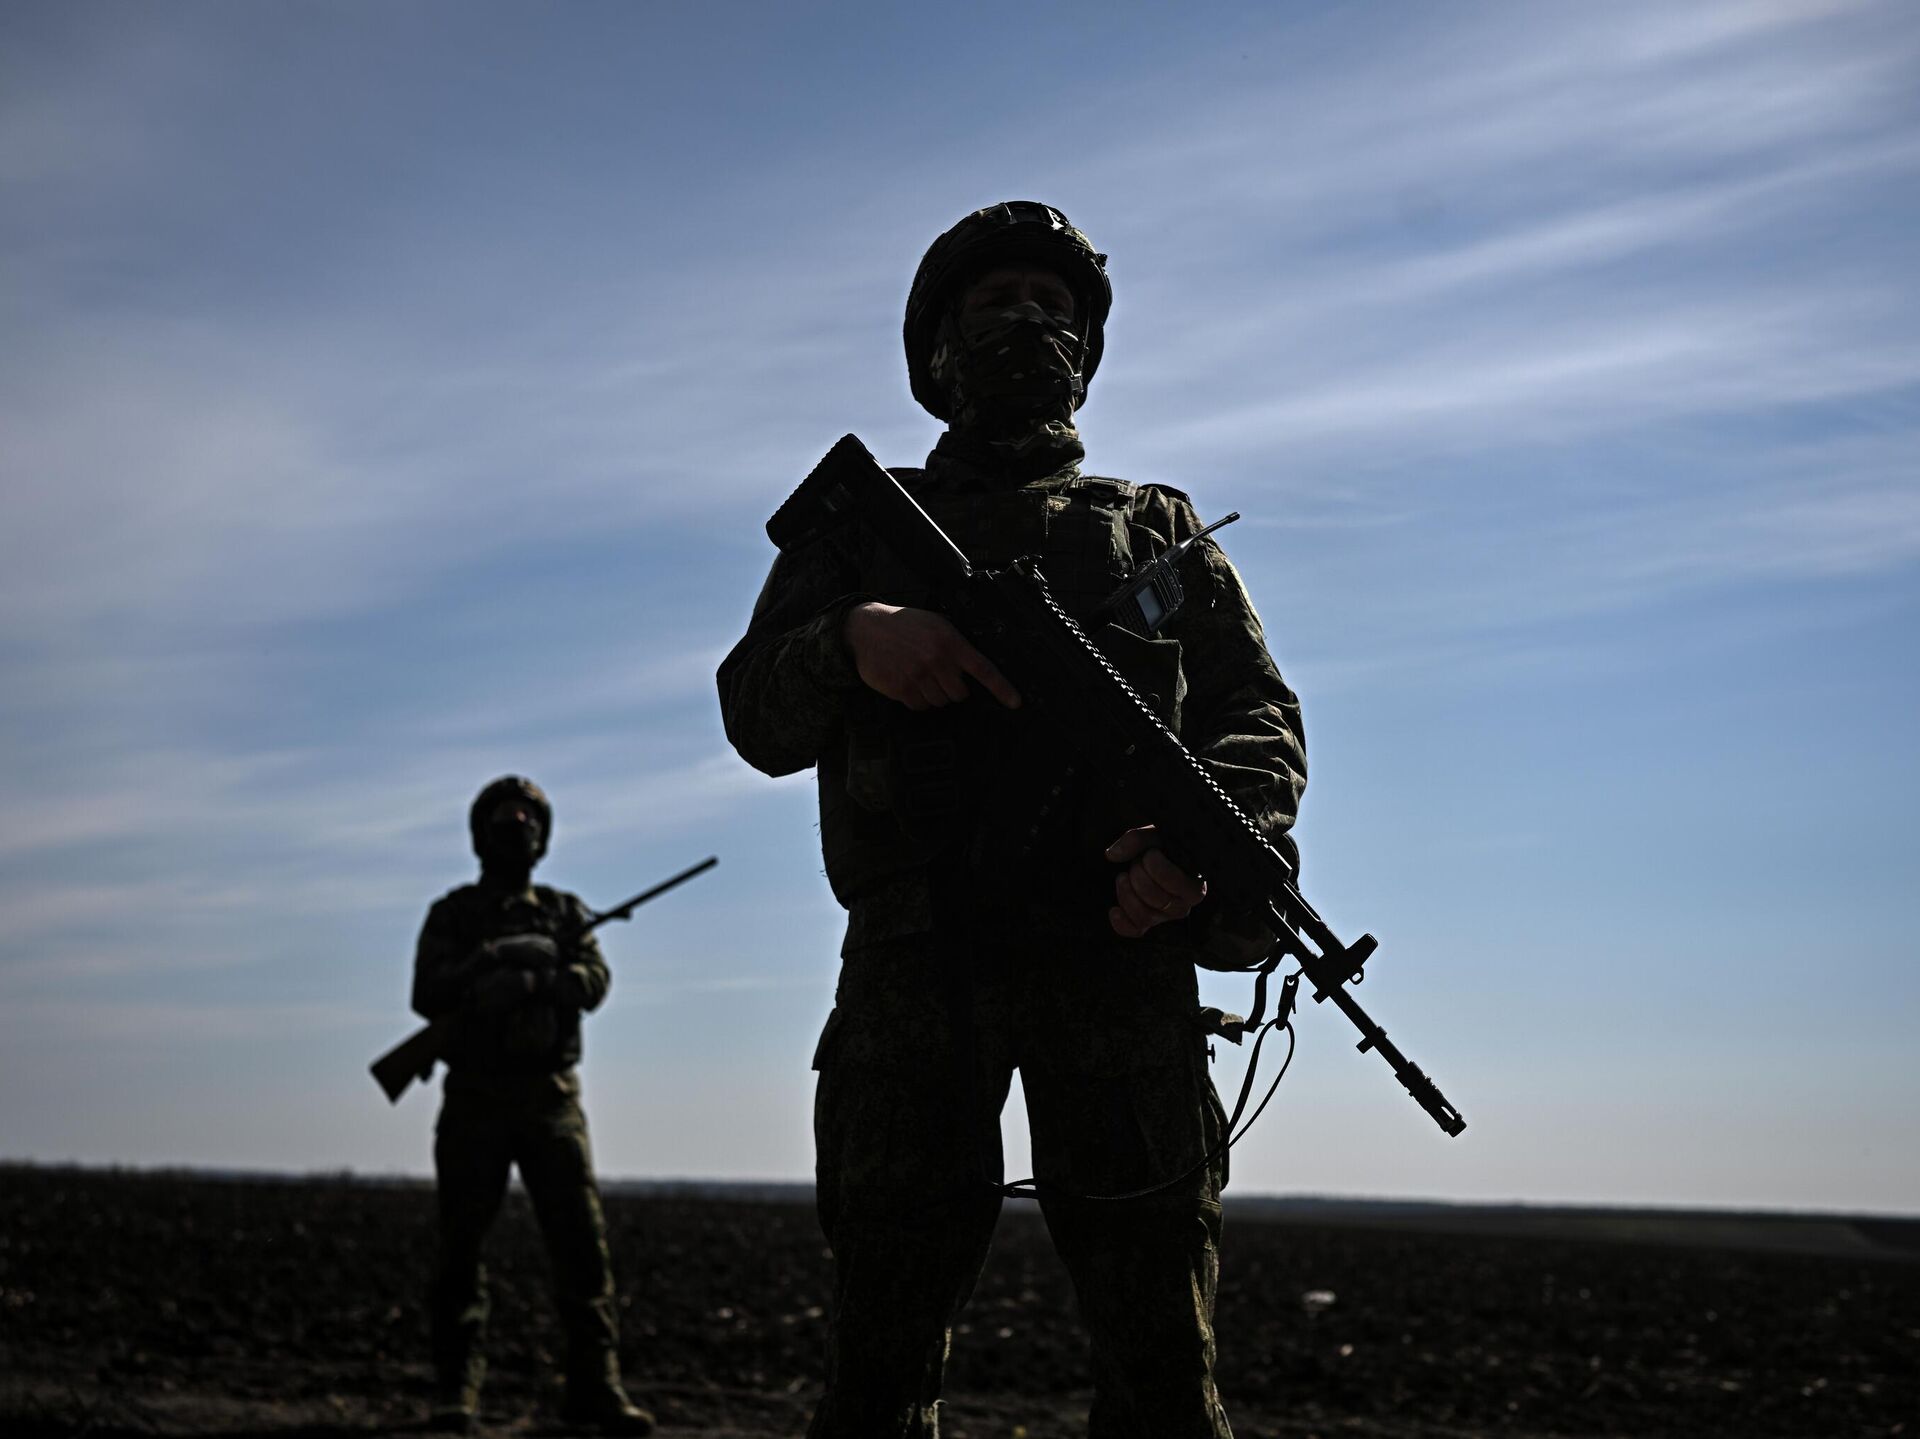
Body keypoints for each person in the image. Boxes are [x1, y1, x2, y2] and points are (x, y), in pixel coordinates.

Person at [717, 201, 1308, 1438]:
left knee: (1163, 1372)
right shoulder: (864, 530)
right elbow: (755, 711)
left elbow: (1257, 718)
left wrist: (1198, 850)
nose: (1030, 323)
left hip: (1119, 962)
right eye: (996, 304)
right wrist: (855, 638)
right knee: (879, 1368)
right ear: (936, 351)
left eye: (1054, 306)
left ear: (1087, 350)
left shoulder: (1157, 530)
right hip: (917, 967)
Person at [409, 775, 654, 1436]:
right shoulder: (455, 914)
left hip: (552, 1101)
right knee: (460, 1251)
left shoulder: (564, 912)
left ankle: (595, 1387)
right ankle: (456, 1391)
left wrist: (538, 978)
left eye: (528, 823)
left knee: (582, 1248)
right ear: (481, 836)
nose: (518, 833)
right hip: (476, 1098)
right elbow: (426, 993)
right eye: (504, 823)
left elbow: (594, 980)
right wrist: (485, 968)